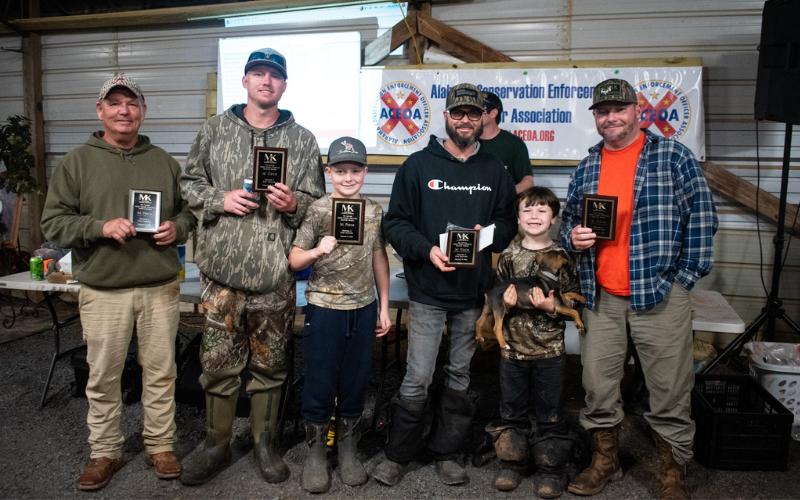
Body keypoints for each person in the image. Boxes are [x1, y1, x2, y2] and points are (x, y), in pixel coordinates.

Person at [560, 78, 717, 500]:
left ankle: (671, 472)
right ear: (595, 117)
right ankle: (605, 462)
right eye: (602, 111)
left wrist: (684, 279)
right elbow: (566, 220)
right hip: (602, 296)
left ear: (637, 111)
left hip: (659, 295)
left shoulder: (671, 156)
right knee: (597, 386)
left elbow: (702, 219)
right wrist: (571, 237)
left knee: (669, 390)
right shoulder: (589, 165)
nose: (610, 117)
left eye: (619, 109)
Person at [40, 74, 195, 491]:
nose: (124, 110)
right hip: (104, 289)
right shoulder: (76, 162)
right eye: (115, 103)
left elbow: (188, 214)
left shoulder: (163, 161)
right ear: (100, 111)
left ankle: (160, 445)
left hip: (158, 286)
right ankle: (104, 451)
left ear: (142, 111)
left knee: (162, 372)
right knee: (103, 374)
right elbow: (53, 222)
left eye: (132, 103)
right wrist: (99, 226)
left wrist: (175, 230)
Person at [178, 48, 325, 486]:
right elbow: (189, 182)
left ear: (284, 85)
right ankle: (216, 443)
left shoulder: (302, 140)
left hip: (273, 275)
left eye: (274, 76)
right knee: (219, 363)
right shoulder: (214, 130)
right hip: (220, 276)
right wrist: (218, 199)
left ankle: (265, 443)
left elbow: (318, 205)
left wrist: (295, 203)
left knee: (271, 365)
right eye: (257, 74)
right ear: (244, 81)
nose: (266, 82)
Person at [372, 83, 517, 487]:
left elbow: (508, 222)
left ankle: (447, 452)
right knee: (418, 374)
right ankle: (399, 454)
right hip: (428, 291)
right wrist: (428, 250)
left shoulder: (494, 172)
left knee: (459, 374)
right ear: (446, 117)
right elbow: (395, 224)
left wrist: (485, 236)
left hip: (473, 293)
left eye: (473, 114)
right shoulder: (418, 166)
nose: (466, 120)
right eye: (458, 113)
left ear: (483, 117)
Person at [287, 136, 392, 493]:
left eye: (355, 170)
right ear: (329, 172)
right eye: (341, 170)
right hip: (324, 307)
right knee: (319, 379)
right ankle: (317, 451)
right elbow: (294, 259)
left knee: (356, 380)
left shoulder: (374, 211)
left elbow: (380, 257)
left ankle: (348, 448)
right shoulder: (318, 209)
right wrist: (318, 249)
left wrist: (384, 306)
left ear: (365, 172)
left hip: (362, 309)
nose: (348, 178)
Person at [488, 186, 580, 497]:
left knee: (550, 409)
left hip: (550, 350)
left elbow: (572, 303)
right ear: (517, 217)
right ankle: (512, 463)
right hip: (512, 350)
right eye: (527, 210)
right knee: (511, 408)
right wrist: (509, 302)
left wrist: (551, 307)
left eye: (542, 210)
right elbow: (498, 297)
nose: (534, 216)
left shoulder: (562, 258)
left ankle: (551, 468)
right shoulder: (508, 257)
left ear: (554, 218)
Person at [480, 91, 534, 193]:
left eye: (478, 111)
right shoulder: (466, 141)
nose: (472, 115)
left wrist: (504, 195)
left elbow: (528, 181)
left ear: (493, 113)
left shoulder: (514, 143)